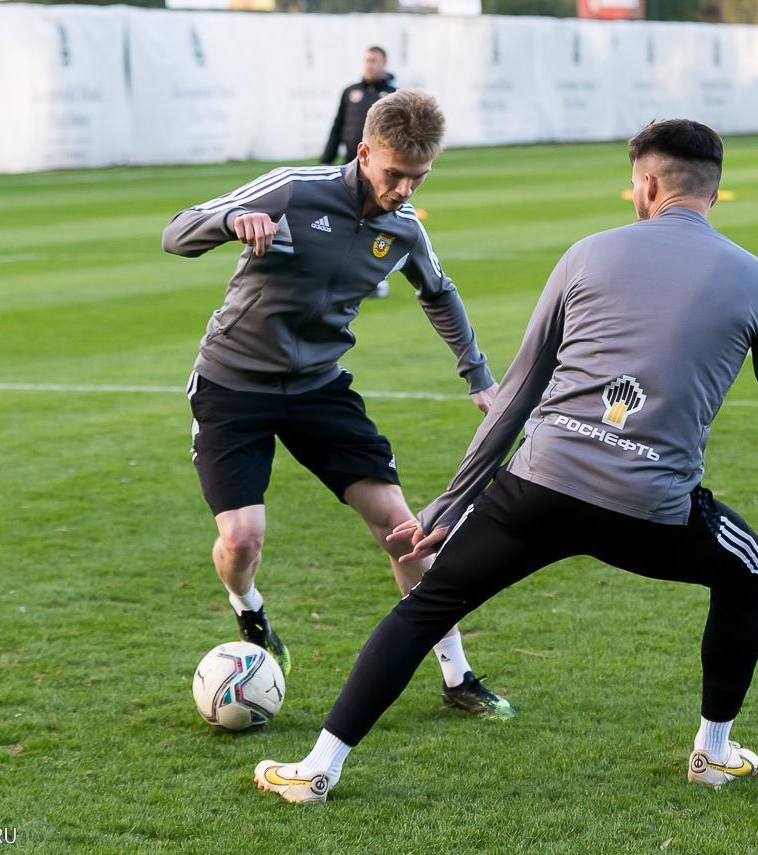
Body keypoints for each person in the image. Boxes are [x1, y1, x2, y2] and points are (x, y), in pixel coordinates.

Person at [253, 119, 758, 803]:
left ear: (648, 184)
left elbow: (518, 392)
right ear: (713, 189)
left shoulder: (587, 253)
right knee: (746, 572)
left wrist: (451, 503)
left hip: (538, 488)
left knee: (425, 608)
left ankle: (318, 767)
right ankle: (712, 753)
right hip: (648, 509)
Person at [161, 90, 515, 719]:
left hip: (318, 387)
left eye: (419, 177)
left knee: (406, 532)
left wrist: (478, 376)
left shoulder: (405, 227)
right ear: (363, 152)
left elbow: (440, 292)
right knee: (241, 540)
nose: (404, 190)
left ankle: (457, 676)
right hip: (232, 384)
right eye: (395, 174)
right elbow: (175, 233)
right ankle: (249, 609)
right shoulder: (294, 189)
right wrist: (231, 221)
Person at [320, 46, 397, 167]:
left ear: (384, 64)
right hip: (350, 160)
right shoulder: (350, 91)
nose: (369, 65)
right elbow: (338, 126)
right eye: (367, 60)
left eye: (374, 61)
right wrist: (326, 159)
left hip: (379, 163)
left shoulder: (394, 94)